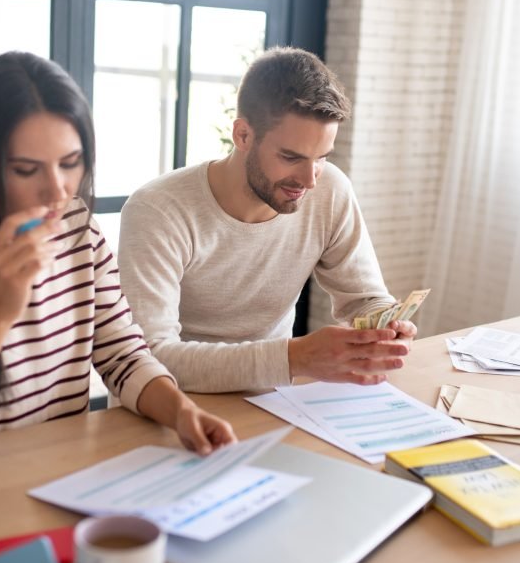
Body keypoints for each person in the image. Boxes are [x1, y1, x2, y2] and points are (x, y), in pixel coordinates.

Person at [0, 51, 235, 472]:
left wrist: (179, 411)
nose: (57, 191)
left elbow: (121, 353)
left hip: (59, 476)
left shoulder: (77, 226)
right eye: (27, 170)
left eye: (70, 163)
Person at [118, 46, 417, 394]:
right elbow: (147, 358)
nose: (310, 180)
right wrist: (294, 358)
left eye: (321, 157)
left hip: (273, 402)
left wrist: (388, 325)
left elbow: (365, 299)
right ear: (243, 135)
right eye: (291, 157)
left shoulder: (329, 190)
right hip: (170, 405)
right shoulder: (158, 211)